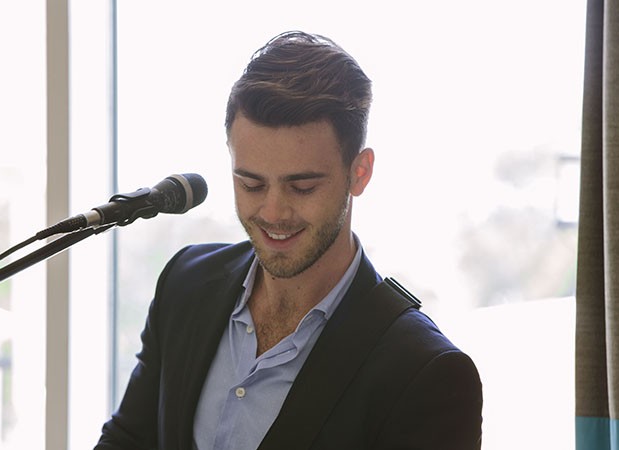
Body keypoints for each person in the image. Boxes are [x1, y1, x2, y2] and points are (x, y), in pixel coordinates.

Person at [95, 31, 483, 450]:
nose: (274, 212)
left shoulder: (425, 372)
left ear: (360, 172)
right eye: (251, 184)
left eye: (302, 187)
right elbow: (127, 440)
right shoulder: (185, 284)